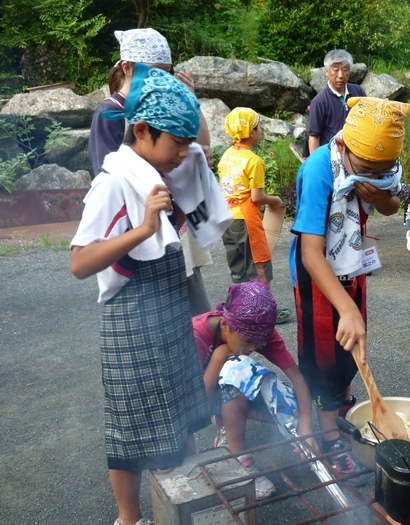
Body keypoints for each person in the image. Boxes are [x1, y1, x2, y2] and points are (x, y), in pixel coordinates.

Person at [70, 63, 214, 525]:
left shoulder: (159, 172)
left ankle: (181, 502)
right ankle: (130, 519)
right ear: (142, 130)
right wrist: (146, 228)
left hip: (167, 315)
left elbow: (199, 159)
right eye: (176, 144)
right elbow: (79, 262)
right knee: (130, 434)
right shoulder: (113, 182)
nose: (182, 154)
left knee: (182, 416)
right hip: (130, 322)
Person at [289, 96, 409, 483]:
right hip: (317, 277)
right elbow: (310, 252)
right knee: (320, 357)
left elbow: (391, 207)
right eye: (368, 170)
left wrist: (381, 196)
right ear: (345, 147)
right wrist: (347, 308)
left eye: (383, 170)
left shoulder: (378, 170)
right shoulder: (319, 169)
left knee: (351, 352)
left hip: (351, 267)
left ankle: (338, 415)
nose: (375, 175)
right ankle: (322, 433)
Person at [87, 28, 215, 317]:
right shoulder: (110, 112)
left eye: (166, 73)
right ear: (127, 67)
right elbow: (110, 176)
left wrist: (189, 99)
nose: (161, 80)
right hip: (139, 230)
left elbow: (203, 145)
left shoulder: (161, 106)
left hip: (171, 222)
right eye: (154, 72)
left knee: (195, 315)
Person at [192, 280, 313, 500]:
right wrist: (219, 356)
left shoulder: (258, 331)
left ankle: (233, 422)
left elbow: (297, 377)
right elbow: (198, 406)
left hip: (230, 390)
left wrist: (305, 427)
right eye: (248, 341)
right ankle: (238, 455)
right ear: (225, 324)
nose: (253, 348)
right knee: (236, 366)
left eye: (259, 343)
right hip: (200, 398)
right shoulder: (195, 334)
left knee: (292, 408)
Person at [218, 107, 291, 323]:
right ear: (251, 132)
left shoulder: (227, 155)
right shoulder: (254, 161)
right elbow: (257, 197)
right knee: (259, 264)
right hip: (246, 219)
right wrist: (275, 200)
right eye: (258, 127)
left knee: (238, 265)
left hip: (226, 218)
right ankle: (265, 311)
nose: (260, 131)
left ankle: (239, 310)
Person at [306, 49, 366, 155]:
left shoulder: (358, 92)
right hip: (331, 157)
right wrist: (315, 164)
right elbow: (314, 137)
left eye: (345, 69)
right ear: (327, 71)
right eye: (335, 70)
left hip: (356, 155)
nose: (341, 75)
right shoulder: (319, 101)